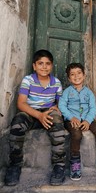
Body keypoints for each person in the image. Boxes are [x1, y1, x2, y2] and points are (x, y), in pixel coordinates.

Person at [4, 49, 66, 186]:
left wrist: (57, 108)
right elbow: (21, 103)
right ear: (34, 66)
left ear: (52, 65)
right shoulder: (28, 80)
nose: (44, 67)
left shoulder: (56, 82)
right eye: (40, 63)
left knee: (58, 125)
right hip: (31, 113)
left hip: (48, 113)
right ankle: (15, 164)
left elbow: (60, 102)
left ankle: (59, 165)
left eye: (48, 64)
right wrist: (39, 115)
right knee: (17, 124)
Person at [58, 62, 96, 181]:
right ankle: (75, 162)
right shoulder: (67, 92)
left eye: (79, 73)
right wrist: (71, 117)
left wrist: (88, 120)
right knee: (77, 134)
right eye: (72, 74)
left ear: (84, 75)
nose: (76, 76)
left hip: (87, 118)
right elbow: (62, 106)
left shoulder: (89, 92)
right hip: (72, 119)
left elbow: (93, 108)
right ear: (68, 78)